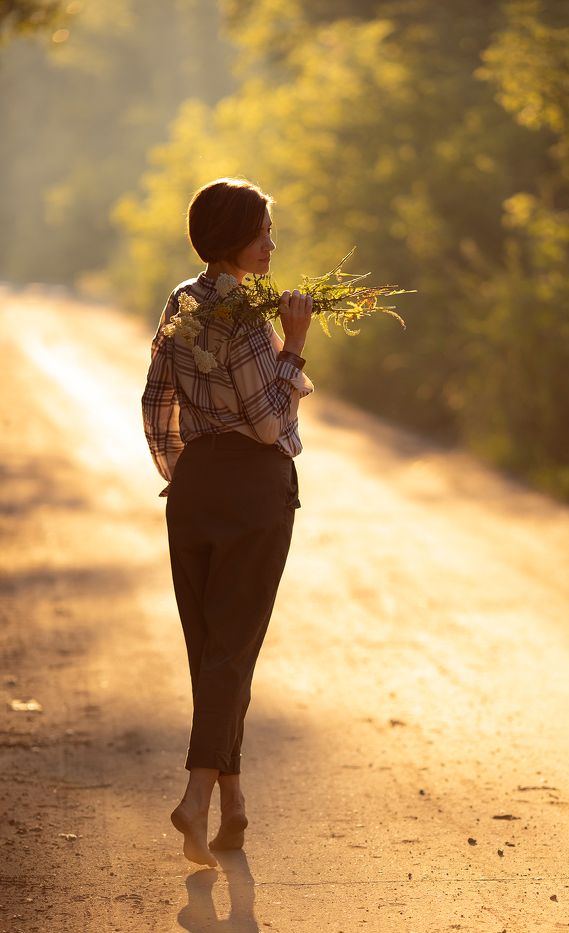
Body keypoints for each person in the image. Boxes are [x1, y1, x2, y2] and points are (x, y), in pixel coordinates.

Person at [141, 177, 314, 867]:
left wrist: (180, 471)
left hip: (195, 490)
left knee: (210, 646)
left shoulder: (181, 300)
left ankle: (233, 805)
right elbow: (270, 422)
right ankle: (195, 796)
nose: (272, 243)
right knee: (232, 650)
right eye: (264, 231)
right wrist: (294, 345)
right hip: (251, 489)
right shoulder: (246, 315)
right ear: (235, 238)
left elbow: (156, 400)